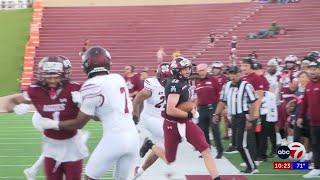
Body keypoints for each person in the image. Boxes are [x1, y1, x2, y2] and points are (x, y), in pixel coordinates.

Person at [38, 47, 140, 180]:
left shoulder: (91, 85)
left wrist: (54, 124)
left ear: (86, 65)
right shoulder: (118, 78)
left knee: (90, 177)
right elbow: (101, 115)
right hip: (133, 138)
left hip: (114, 138)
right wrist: (83, 106)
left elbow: (79, 123)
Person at [6, 56, 88, 180]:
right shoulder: (35, 91)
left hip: (72, 144)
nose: (52, 81)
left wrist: (83, 103)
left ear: (64, 75)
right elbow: (9, 102)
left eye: (56, 77)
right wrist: (15, 108)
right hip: (51, 146)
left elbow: (91, 113)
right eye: (48, 77)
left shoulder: (74, 89)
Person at [162, 57, 220, 179]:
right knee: (169, 159)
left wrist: (190, 107)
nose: (188, 71)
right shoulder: (174, 84)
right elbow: (170, 109)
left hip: (185, 122)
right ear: (177, 71)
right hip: (172, 124)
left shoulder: (184, 81)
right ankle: (151, 145)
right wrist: (189, 114)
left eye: (188, 68)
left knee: (205, 149)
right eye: (184, 69)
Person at [213, 66, 259, 174]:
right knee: (237, 145)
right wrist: (217, 114)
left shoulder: (246, 86)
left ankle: (252, 167)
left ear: (240, 74)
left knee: (241, 145)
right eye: (231, 73)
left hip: (243, 116)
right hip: (233, 117)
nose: (232, 76)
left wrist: (251, 119)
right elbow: (222, 101)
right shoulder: (227, 86)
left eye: (235, 73)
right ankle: (250, 166)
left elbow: (254, 103)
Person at [132, 62, 172, 179]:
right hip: (150, 118)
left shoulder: (175, 84)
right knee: (169, 155)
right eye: (165, 77)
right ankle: (149, 143)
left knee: (160, 150)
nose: (167, 80)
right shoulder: (152, 84)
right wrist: (135, 115)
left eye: (169, 77)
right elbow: (136, 100)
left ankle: (140, 170)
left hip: (163, 119)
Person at [195, 63, 223, 158]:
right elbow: (198, 96)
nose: (201, 72)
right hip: (202, 108)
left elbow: (220, 94)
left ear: (206, 70)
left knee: (215, 129)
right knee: (203, 131)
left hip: (213, 107)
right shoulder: (197, 81)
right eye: (199, 71)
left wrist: (221, 109)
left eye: (202, 70)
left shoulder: (213, 80)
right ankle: (207, 151)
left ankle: (220, 151)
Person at [297, 61, 320, 178]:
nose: (312, 71)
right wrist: (300, 116)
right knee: (316, 145)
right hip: (314, 122)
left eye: (315, 69)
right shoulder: (309, 85)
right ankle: (317, 168)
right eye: (310, 69)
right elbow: (305, 103)